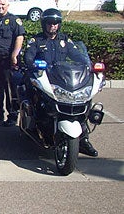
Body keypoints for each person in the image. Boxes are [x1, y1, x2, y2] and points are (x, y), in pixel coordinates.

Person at [23, 8, 98, 157]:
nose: (53, 26)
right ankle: (32, 124)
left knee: (81, 102)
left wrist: (87, 64)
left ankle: (83, 139)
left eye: (56, 23)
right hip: (43, 77)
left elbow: (78, 55)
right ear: (44, 24)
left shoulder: (65, 41)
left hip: (61, 79)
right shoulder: (36, 41)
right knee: (33, 97)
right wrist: (35, 64)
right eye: (50, 23)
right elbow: (28, 58)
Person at [0, 0, 25, 127]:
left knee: (10, 89)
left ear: (8, 6)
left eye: (3, 4)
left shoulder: (14, 20)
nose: (0, 7)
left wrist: (15, 54)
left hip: (9, 60)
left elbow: (19, 38)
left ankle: (12, 115)